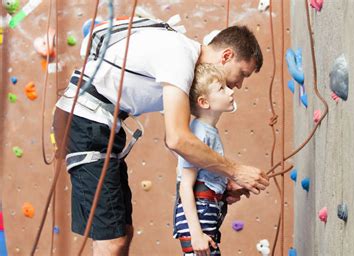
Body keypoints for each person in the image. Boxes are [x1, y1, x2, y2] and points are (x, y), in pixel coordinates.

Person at [52, 17, 269, 256]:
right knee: (111, 240)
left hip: (98, 124)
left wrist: (218, 181)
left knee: (123, 233)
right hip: (85, 121)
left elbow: (186, 148)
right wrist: (235, 170)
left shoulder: (183, 64)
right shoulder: (179, 56)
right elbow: (177, 139)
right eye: (242, 74)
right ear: (226, 56)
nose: (238, 85)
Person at [173, 63, 247, 255]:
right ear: (204, 102)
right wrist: (196, 234)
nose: (230, 91)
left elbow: (205, 175)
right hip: (198, 214)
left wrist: (225, 188)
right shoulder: (199, 134)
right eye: (221, 88)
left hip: (206, 209)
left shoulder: (207, 131)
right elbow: (185, 185)